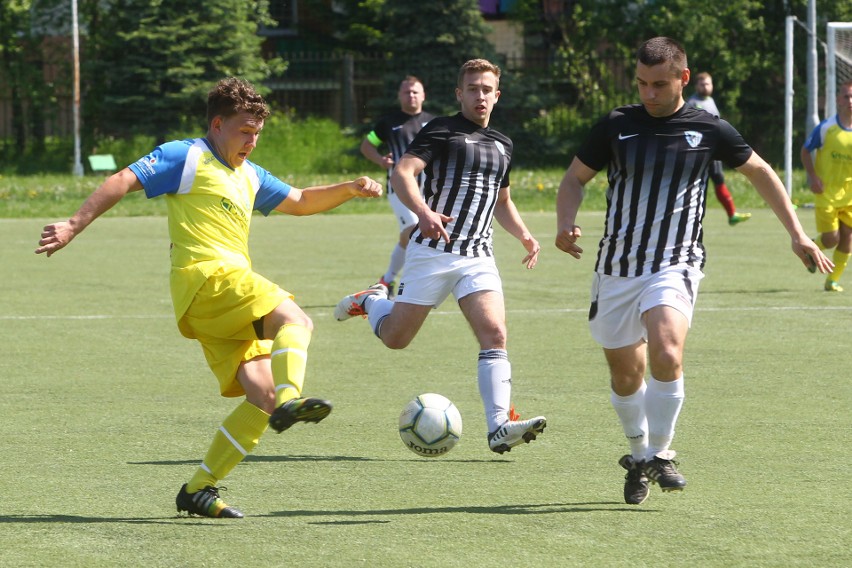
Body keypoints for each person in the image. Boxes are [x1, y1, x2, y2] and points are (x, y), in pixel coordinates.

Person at [35, 77, 383, 518]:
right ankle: (292, 394)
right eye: (244, 131)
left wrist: (348, 189)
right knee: (296, 320)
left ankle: (199, 488)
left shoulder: (249, 174)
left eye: (257, 133)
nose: (252, 141)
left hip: (216, 303)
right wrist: (72, 224)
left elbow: (299, 200)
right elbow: (123, 179)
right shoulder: (187, 155)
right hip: (208, 280)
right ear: (217, 124)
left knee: (262, 398)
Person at [555, 37, 831, 505]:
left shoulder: (709, 128)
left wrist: (797, 233)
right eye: (641, 83)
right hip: (618, 267)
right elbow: (573, 180)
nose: (648, 93)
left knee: (667, 347)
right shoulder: (616, 125)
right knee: (626, 375)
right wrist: (565, 222)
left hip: (676, 261)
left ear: (683, 78)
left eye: (659, 84)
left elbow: (761, 172)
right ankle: (639, 454)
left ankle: (662, 452)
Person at [335, 59, 547, 454]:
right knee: (397, 339)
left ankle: (499, 425)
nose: (480, 95)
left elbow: (501, 199)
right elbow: (402, 172)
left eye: (487, 89)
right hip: (432, 253)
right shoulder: (442, 130)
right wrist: (424, 213)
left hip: (478, 256)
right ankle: (373, 300)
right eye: (472, 89)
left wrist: (524, 235)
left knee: (495, 334)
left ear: (496, 95)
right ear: (459, 94)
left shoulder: (504, 144)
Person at [360, 76, 435, 297]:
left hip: (430, 188)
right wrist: (380, 160)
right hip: (399, 187)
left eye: (415, 92)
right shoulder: (387, 123)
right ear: (399, 96)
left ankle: (387, 280)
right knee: (412, 230)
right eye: (406, 92)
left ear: (423, 95)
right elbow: (367, 144)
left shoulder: (434, 122)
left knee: (417, 234)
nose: (411, 95)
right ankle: (401, 282)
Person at [800, 80, 852, 292]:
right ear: (839, 100)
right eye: (847, 96)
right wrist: (812, 177)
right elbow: (805, 151)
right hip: (827, 193)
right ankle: (808, 250)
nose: (850, 100)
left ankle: (832, 280)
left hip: (850, 195)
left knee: (848, 237)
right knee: (831, 239)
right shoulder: (827, 127)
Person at [687, 72, 752, 226]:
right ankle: (692, 218)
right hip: (699, 151)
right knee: (697, 185)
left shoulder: (710, 101)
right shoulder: (692, 102)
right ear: (696, 86)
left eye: (708, 83)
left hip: (713, 150)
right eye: (702, 84)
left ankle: (731, 214)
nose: (705, 86)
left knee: (719, 180)